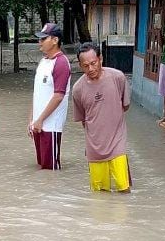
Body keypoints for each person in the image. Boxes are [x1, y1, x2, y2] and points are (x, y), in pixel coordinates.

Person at [72, 42, 132, 192]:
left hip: (117, 143)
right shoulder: (78, 89)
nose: (91, 69)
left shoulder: (117, 77)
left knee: (123, 188)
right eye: (86, 65)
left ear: (101, 59)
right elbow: (84, 120)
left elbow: (125, 106)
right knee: (100, 194)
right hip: (94, 148)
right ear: (80, 66)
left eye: (93, 63)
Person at [29, 22, 71, 170]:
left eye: (43, 39)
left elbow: (58, 96)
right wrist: (33, 120)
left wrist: (40, 119)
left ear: (55, 40)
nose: (39, 42)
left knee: (50, 169)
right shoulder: (44, 61)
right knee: (42, 166)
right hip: (39, 124)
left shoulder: (61, 63)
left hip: (51, 125)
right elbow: (37, 94)